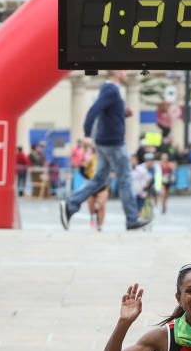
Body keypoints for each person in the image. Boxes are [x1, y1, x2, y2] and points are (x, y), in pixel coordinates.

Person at [60, 71, 149, 231]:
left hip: (104, 142)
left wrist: (122, 113)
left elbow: (107, 113)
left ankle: (70, 204)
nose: (127, 72)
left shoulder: (109, 89)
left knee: (99, 179)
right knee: (125, 179)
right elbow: (94, 110)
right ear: (115, 72)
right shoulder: (111, 89)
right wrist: (86, 133)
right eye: (123, 70)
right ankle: (132, 219)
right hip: (113, 143)